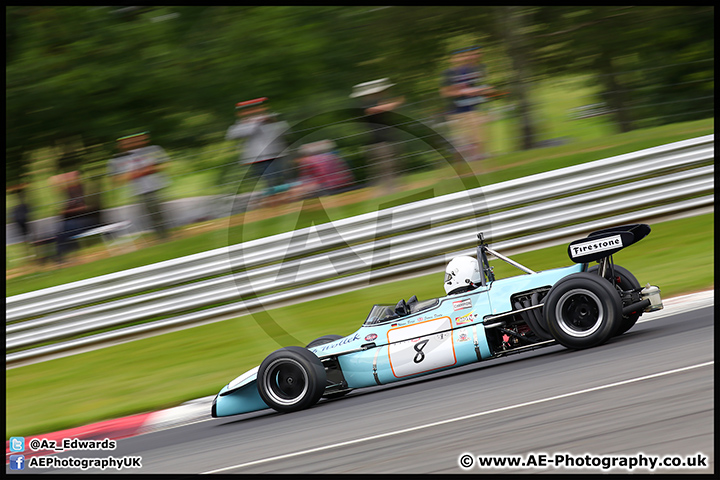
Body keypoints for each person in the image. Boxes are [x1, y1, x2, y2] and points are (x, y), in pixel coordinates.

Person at [226, 97, 291, 206]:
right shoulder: (243, 124)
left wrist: (268, 121)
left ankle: (281, 201)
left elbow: (284, 130)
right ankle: (276, 202)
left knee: (275, 180)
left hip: (275, 155)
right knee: (267, 181)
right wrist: (254, 123)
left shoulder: (273, 119)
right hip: (257, 158)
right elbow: (231, 135)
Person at [108, 131, 171, 240]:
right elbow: (115, 178)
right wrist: (143, 171)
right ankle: (161, 236)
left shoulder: (153, 149)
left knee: (160, 211)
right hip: (138, 191)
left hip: (156, 186)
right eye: (127, 141)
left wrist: (146, 170)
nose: (133, 142)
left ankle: (164, 235)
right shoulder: (116, 159)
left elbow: (166, 164)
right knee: (148, 214)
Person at [440, 46, 495, 163]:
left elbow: (474, 87)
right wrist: (464, 92)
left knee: (477, 136)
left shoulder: (470, 71)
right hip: (455, 111)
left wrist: (483, 90)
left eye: (462, 56)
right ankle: (459, 165)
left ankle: (478, 159)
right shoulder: (448, 73)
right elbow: (445, 92)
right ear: (451, 59)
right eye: (457, 57)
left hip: (472, 109)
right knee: (461, 139)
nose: (460, 59)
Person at [350, 78, 404, 196]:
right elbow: (373, 110)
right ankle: (387, 192)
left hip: (383, 141)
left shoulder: (377, 102)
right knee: (385, 167)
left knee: (388, 167)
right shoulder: (366, 104)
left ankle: (386, 191)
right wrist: (394, 104)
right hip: (378, 142)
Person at [51, 170, 91, 265]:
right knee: (62, 229)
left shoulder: (81, 189)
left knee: (64, 230)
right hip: (75, 222)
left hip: (84, 221)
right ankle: (63, 255)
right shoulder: (72, 191)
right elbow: (54, 182)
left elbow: (84, 208)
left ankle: (61, 256)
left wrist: (66, 211)